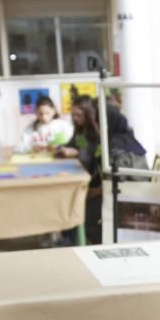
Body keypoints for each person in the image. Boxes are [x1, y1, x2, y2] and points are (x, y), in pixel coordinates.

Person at [59, 96, 103, 244]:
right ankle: (68, 237)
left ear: (89, 114)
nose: (75, 118)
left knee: (72, 202)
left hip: (93, 182)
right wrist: (61, 148)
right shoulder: (80, 131)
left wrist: (77, 153)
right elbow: (74, 145)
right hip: (80, 174)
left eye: (78, 115)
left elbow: (91, 156)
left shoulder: (97, 133)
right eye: (72, 115)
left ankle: (73, 239)